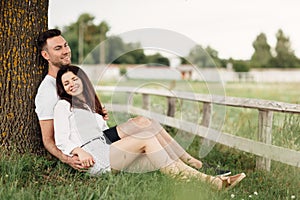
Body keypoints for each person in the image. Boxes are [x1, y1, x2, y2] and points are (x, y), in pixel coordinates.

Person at [54, 64, 246, 190]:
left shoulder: (87, 105)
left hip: (104, 148)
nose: (71, 84)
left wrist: (100, 118)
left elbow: (101, 133)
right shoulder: (63, 106)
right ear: (63, 88)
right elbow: (61, 139)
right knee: (146, 137)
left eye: (74, 79)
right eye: (66, 83)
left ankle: (212, 183)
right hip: (93, 156)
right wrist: (78, 151)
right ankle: (201, 169)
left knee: (162, 158)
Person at [34, 29, 203, 171]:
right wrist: (68, 158)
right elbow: (48, 139)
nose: (65, 51)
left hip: (100, 136)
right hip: (90, 145)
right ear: (46, 55)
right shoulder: (48, 91)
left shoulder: (72, 76)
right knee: (145, 135)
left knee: (144, 122)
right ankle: (186, 167)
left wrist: (96, 114)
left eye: (66, 45)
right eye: (58, 48)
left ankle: (191, 162)